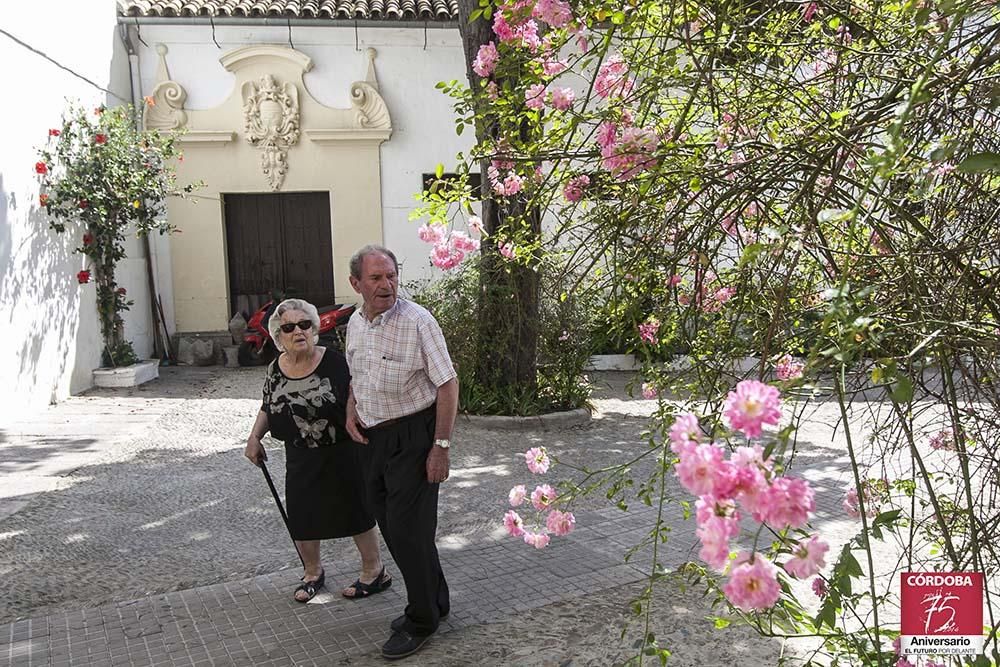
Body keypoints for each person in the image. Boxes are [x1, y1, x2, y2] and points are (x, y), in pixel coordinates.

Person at [344, 245, 459, 660]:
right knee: (393, 525)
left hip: (414, 437)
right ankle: (437, 600)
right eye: (375, 278)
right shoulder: (355, 322)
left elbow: (447, 385)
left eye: (390, 276)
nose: (385, 285)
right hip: (372, 440)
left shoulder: (418, 321)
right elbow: (359, 373)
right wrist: (350, 410)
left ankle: (421, 619)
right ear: (356, 283)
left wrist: (440, 448)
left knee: (408, 532)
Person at [244, 298, 391, 603]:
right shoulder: (276, 369)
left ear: (313, 328)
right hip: (300, 453)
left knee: (356, 511)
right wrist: (254, 438)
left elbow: (358, 395)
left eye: (304, 324)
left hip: (342, 450)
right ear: (278, 335)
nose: (298, 331)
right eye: (289, 327)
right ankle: (312, 573)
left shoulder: (335, 362)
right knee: (302, 514)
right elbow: (268, 407)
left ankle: (374, 571)